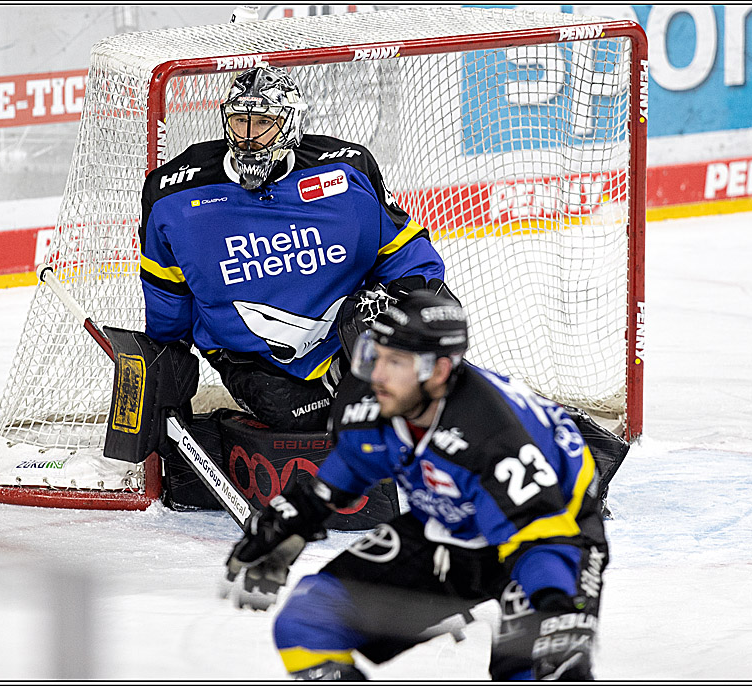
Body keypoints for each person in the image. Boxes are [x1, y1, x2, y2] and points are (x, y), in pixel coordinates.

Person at [224, 290, 610, 681]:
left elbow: (541, 537)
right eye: (375, 356)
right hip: (449, 524)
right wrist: (293, 521)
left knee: (545, 668)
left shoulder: (493, 434)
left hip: (555, 535)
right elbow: (342, 477)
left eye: (396, 362)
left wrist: (559, 608)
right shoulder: (373, 401)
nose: (377, 374)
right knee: (307, 623)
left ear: (438, 371)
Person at [138, 64, 449, 432]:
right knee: (312, 427)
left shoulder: (347, 171)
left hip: (347, 339)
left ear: (290, 124)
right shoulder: (173, 194)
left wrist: (407, 302)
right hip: (252, 360)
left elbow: (407, 255)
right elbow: (167, 294)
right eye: (240, 120)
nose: (250, 136)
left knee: (436, 360)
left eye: (264, 121)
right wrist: (164, 362)